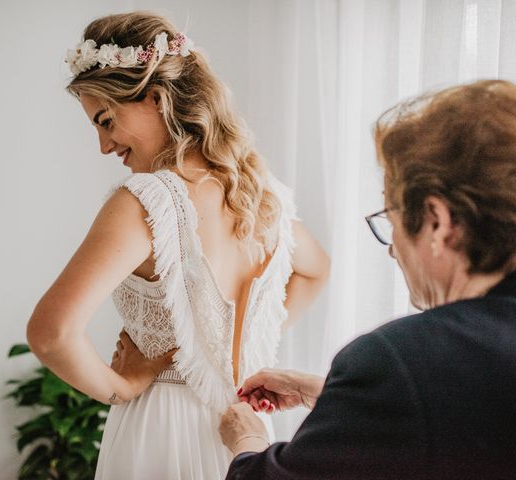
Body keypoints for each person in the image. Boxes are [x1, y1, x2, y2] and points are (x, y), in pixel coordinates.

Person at [25, 11, 330, 479]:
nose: (104, 146)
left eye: (106, 121)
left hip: (158, 429)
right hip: (242, 428)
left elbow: (50, 333)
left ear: (156, 98)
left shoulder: (145, 202)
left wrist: (121, 389)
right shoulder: (258, 193)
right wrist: (245, 351)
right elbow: (315, 269)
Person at [219, 79, 516, 480]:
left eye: (389, 217)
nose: (391, 249)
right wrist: (345, 399)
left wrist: (248, 441)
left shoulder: (398, 360)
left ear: (436, 222)